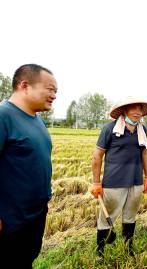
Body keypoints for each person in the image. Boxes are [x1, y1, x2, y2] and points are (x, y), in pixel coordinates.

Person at [0, 64, 57, 268]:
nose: (54, 96)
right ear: (25, 85)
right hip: (10, 222)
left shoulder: (37, 119)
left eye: (56, 92)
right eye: (50, 89)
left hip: (35, 216)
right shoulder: (3, 116)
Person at [90, 97, 147, 256]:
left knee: (130, 215)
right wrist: (96, 182)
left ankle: (128, 247)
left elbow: (145, 154)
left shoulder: (142, 130)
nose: (138, 112)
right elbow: (97, 156)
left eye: (140, 109)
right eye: (134, 108)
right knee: (107, 216)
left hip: (136, 180)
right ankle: (100, 250)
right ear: (124, 110)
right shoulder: (109, 129)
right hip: (114, 181)